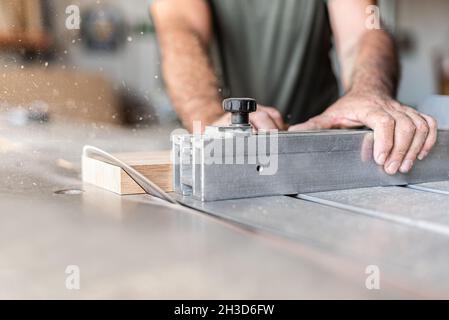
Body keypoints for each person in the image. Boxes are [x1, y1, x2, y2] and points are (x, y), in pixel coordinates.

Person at [151, 0, 437, 175]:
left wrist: (368, 91)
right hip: (216, 139)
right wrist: (211, 121)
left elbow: (363, 30)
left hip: (314, 148)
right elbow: (180, 31)